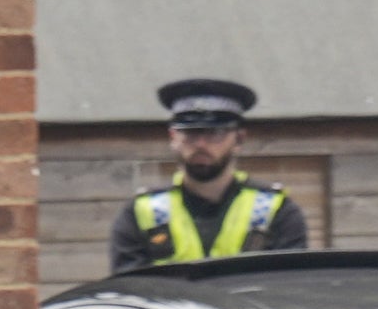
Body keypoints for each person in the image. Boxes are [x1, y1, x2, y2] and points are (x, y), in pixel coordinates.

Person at [111, 76, 313, 270]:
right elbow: (128, 291)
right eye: (191, 133)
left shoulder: (277, 211)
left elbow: (287, 289)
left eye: (214, 134)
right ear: (173, 137)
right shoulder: (141, 213)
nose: (201, 144)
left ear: (239, 139)